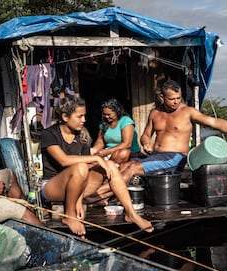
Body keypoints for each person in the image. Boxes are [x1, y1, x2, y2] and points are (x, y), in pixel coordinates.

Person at [40, 95, 153, 236]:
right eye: (79, 116)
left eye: (84, 116)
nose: (84, 120)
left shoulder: (82, 136)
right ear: (65, 117)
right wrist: (96, 158)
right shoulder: (49, 134)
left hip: (77, 186)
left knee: (110, 164)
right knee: (82, 166)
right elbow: (64, 161)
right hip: (52, 187)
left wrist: (79, 200)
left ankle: (131, 213)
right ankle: (69, 216)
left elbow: (82, 173)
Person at [120, 79, 227, 183]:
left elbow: (215, 122)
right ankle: (104, 196)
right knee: (124, 165)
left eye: (178, 98)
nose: (176, 101)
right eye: (172, 99)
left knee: (132, 168)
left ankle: (99, 198)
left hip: (175, 158)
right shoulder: (155, 113)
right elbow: (145, 135)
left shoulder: (188, 112)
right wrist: (145, 144)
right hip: (155, 156)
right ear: (162, 98)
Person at [91, 98, 141, 164]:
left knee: (123, 153)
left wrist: (108, 151)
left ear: (117, 112)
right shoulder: (104, 123)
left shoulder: (125, 121)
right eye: (104, 114)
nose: (106, 117)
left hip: (127, 152)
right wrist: (94, 150)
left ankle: (109, 166)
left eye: (109, 114)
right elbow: (100, 141)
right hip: (109, 152)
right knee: (91, 158)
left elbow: (127, 144)